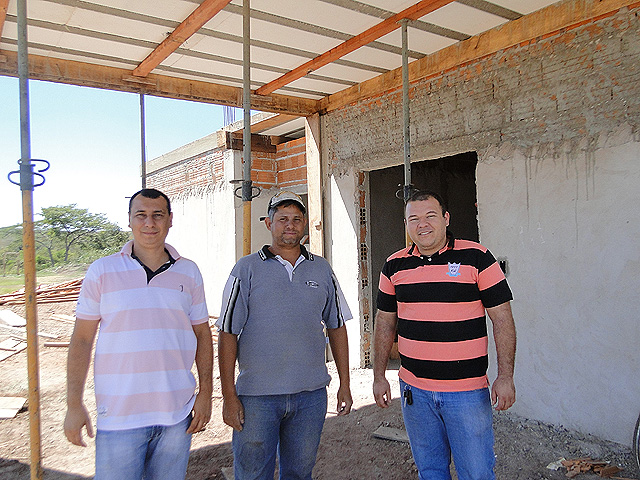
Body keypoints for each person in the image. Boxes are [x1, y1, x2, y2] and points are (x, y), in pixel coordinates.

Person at [64, 188, 213, 480]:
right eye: (141, 215)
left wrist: (206, 392)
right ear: (129, 221)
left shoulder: (189, 272)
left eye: (158, 215)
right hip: (119, 417)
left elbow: (203, 335)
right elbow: (82, 340)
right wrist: (73, 404)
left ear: (170, 220)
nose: (149, 223)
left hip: (175, 416)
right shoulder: (102, 271)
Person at [372, 190, 516, 480]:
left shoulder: (477, 257)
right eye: (414, 219)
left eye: (430, 216)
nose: (422, 224)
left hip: (466, 393)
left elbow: (502, 319)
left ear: (446, 219)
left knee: (476, 474)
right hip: (415, 392)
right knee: (431, 472)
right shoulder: (394, 265)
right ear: (406, 224)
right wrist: (378, 376)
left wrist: (505, 376)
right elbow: (384, 323)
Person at [217, 190, 353, 480]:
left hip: (311, 396)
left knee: (300, 472)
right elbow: (228, 333)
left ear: (304, 224)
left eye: (296, 219)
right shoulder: (246, 269)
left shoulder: (322, 269)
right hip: (257, 399)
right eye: (282, 219)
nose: (290, 225)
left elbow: (337, 326)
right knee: (253, 473)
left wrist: (345, 383)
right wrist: (229, 395)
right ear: (268, 223)